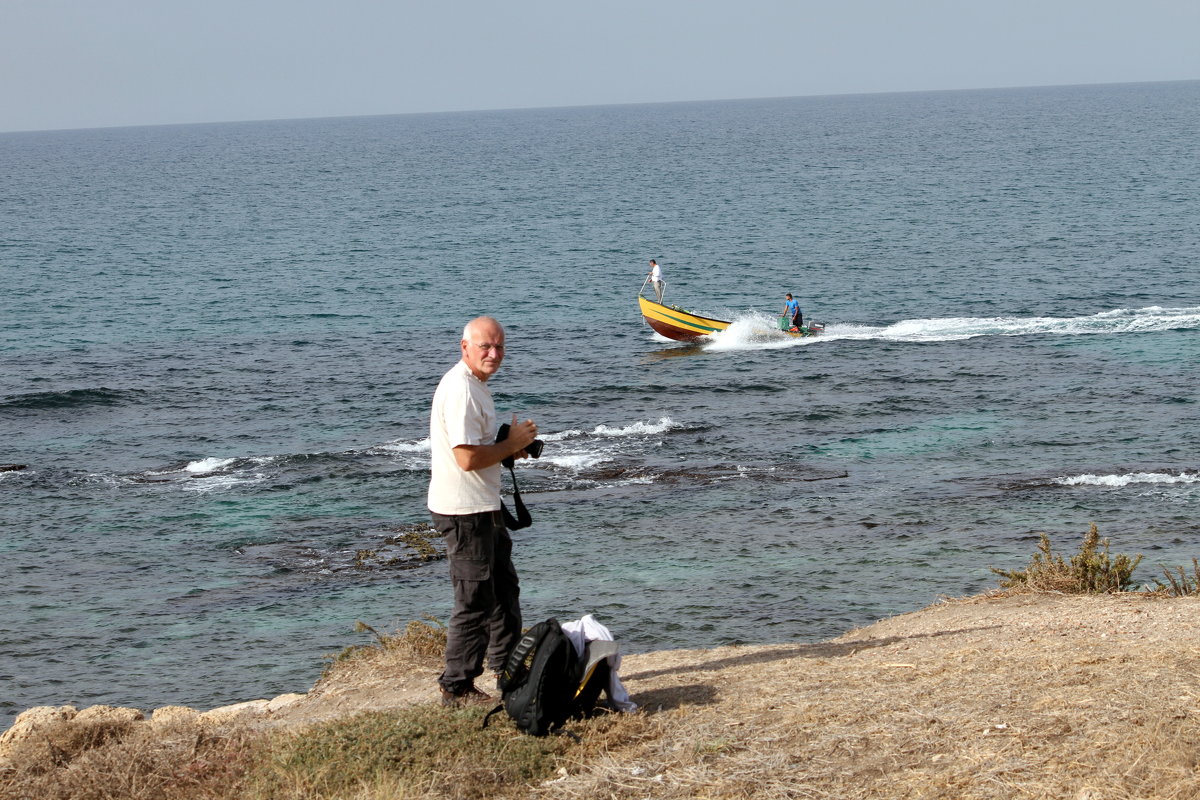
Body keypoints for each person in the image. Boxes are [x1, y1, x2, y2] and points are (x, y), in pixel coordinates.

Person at [428, 316, 539, 707]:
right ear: (465, 348)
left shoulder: (474, 386)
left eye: (499, 347)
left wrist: (509, 445)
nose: (493, 354)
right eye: (485, 347)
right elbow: (466, 458)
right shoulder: (461, 389)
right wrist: (510, 446)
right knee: (474, 600)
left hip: (482, 506)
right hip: (464, 511)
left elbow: (476, 450)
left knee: (504, 592)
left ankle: (509, 671)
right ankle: (455, 687)